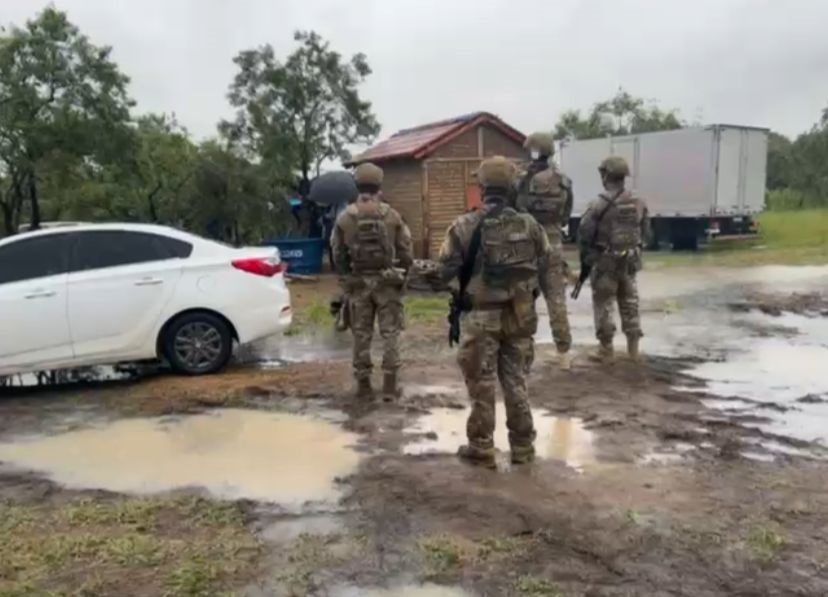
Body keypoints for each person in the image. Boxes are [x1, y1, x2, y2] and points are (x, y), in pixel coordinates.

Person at [437, 156, 552, 466]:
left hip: (481, 317)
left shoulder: (464, 225)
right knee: (516, 382)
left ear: (482, 187)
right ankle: (523, 448)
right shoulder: (530, 225)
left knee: (482, 384)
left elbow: (444, 270)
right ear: (511, 186)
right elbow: (545, 262)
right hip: (520, 315)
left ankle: (482, 446)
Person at [331, 162, 413, 401]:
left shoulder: (345, 217)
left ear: (357, 185)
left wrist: (346, 277)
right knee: (390, 334)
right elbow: (406, 250)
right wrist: (402, 274)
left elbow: (337, 252)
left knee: (361, 335)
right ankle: (390, 386)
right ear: (379, 184)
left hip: (358, 284)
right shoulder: (392, 215)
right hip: (387, 284)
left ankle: (364, 386)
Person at [577, 156, 650, 362]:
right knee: (630, 302)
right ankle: (633, 351)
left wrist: (587, 258)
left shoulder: (598, 204)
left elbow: (584, 234)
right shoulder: (638, 202)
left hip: (605, 261)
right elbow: (647, 232)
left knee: (604, 304)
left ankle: (606, 350)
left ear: (605, 175)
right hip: (630, 260)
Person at [515, 132, 574, 370]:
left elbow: (514, 210)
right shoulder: (564, 181)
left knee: (525, 300)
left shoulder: (521, 180)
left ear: (532, 151)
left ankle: (524, 354)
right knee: (556, 300)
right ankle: (564, 354)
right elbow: (566, 216)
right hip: (554, 244)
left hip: (527, 245)